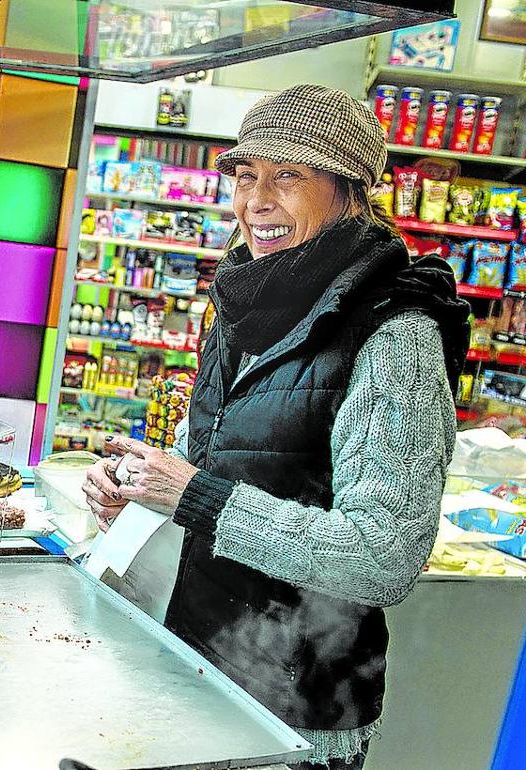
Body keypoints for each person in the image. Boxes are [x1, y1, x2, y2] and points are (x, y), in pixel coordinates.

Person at [82, 85, 469, 770]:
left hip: (292, 714)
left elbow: (383, 557)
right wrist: (138, 481)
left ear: (350, 190)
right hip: (200, 663)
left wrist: (194, 496)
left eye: (288, 176)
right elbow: (228, 449)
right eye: (246, 175)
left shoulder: (395, 337)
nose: (257, 199)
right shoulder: (246, 300)